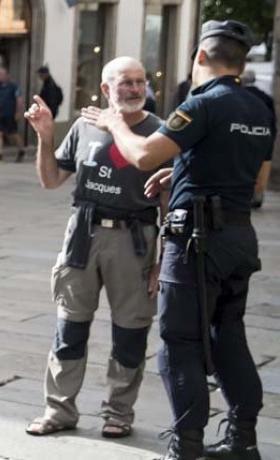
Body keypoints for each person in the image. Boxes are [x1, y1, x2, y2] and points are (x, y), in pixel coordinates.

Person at [81, 20, 272, 460]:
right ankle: (243, 440)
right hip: (240, 237)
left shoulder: (201, 105)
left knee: (180, 342)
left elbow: (143, 154)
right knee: (229, 337)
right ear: (240, 61)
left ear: (201, 57)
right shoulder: (260, 107)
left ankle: (186, 447)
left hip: (196, 242)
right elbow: (254, 180)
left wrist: (114, 124)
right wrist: (183, 172)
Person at [23, 57, 166, 440]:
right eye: (126, 83)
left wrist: (162, 262)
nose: (136, 89)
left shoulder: (159, 133)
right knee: (69, 327)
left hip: (135, 240)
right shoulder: (85, 126)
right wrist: (46, 135)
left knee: (130, 331)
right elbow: (52, 180)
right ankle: (59, 410)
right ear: (106, 89)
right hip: (83, 236)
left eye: (140, 81)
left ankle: (118, 412)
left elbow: (169, 202)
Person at [240, 70, 275, 209]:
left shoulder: (238, 96)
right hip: (262, 138)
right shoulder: (266, 98)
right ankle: (257, 197)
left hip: (241, 137)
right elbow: (272, 123)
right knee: (259, 168)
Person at [0, 67, 25, 162]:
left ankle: (21, 150)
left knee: (13, 134)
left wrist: (18, 112)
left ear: (7, 76)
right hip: (1, 113)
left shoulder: (13, 87)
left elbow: (19, 99)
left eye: (1, 74)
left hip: (10, 113)